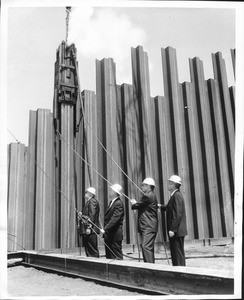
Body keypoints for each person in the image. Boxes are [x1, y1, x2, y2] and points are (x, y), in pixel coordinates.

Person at [161, 175, 188, 266]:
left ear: (173, 184)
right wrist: (160, 206)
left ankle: (180, 272)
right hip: (177, 230)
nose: (168, 185)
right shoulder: (175, 195)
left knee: (177, 254)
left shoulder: (176, 196)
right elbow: (170, 207)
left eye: (169, 183)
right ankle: (179, 271)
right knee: (175, 253)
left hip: (177, 231)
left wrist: (173, 229)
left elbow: (177, 213)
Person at [130, 177, 158, 263]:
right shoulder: (151, 195)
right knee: (148, 247)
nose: (141, 187)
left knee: (146, 247)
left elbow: (135, 206)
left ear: (148, 186)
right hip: (149, 226)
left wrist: (134, 203)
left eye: (143, 185)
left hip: (148, 226)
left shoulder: (148, 196)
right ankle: (151, 267)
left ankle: (150, 268)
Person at [100, 184, 124, 260]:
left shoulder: (118, 203)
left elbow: (115, 218)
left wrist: (105, 228)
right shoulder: (112, 202)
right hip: (109, 234)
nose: (109, 192)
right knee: (109, 256)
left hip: (115, 234)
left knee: (116, 256)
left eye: (111, 191)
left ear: (114, 192)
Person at [77, 187, 101, 258]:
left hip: (91, 230)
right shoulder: (89, 201)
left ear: (90, 194)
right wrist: (82, 214)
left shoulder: (92, 201)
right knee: (89, 249)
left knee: (92, 249)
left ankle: (95, 264)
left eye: (86, 192)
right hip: (89, 229)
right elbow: (89, 214)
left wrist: (88, 227)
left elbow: (92, 215)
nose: (85, 194)